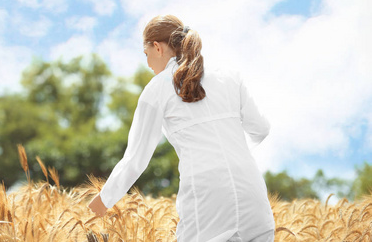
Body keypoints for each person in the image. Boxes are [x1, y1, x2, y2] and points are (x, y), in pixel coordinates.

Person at [88, 15, 275, 242]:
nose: (147, 64)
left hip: (207, 199)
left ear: (157, 48)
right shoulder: (230, 77)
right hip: (253, 193)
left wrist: (100, 204)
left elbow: (135, 159)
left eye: (146, 54)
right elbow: (261, 129)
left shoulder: (157, 88)